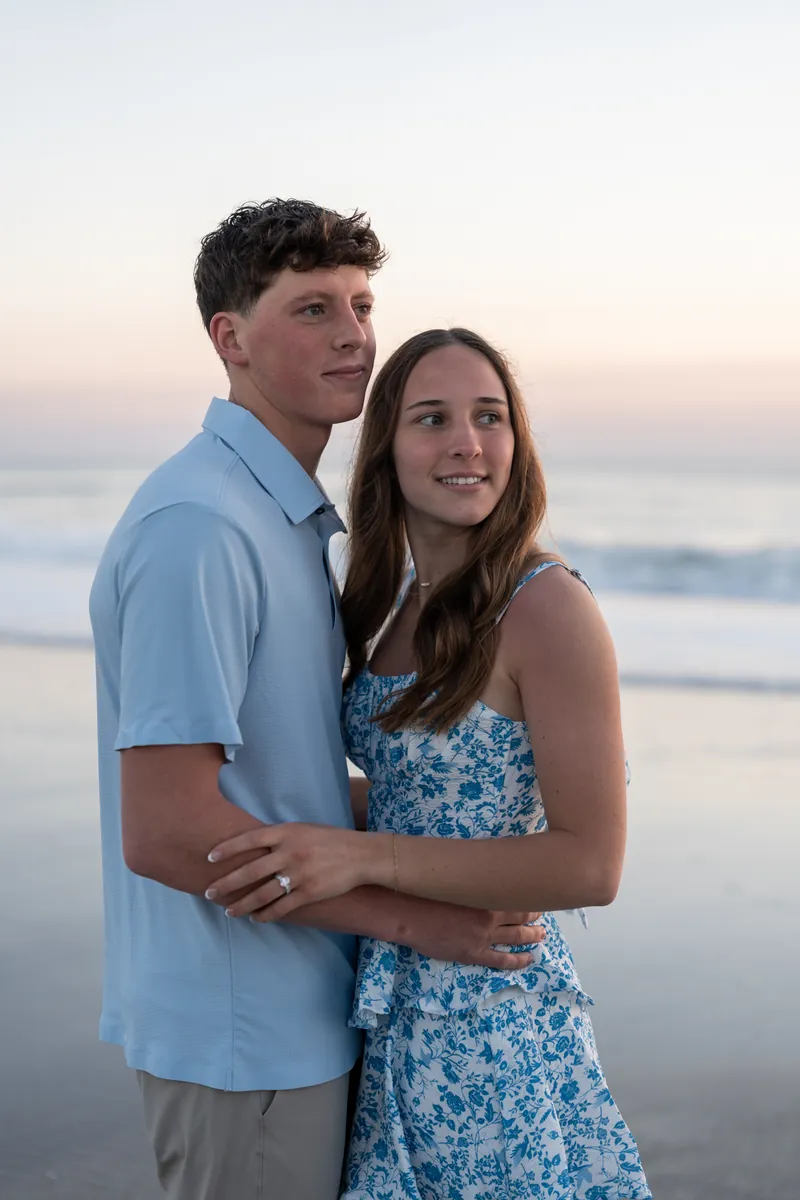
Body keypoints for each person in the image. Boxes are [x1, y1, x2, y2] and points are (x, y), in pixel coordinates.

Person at [89, 206, 546, 1200]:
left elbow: (275, 781)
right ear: (231, 338)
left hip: (297, 1004)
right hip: (239, 1029)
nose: (352, 334)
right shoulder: (199, 528)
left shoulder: (278, 518)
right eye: (311, 308)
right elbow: (167, 830)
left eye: (360, 303)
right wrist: (422, 921)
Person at [207, 328, 652, 1198]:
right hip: (394, 998)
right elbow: (433, 787)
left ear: (517, 445)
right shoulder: (392, 603)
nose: (467, 443)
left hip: (493, 1017)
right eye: (433, 419)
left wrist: (359, 855)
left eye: (490, 417)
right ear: (387, 452)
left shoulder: (545, 607)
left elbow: (591, 862)